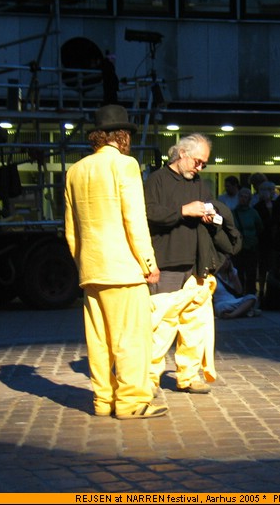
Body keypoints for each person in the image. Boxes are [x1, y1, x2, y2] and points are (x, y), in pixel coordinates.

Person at [64, 104, 167, 420]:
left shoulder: (75, 171)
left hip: (92, 269)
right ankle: (131, 402)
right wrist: (148, 262)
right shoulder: (125, 166)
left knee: (99, 342)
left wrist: (84, 262)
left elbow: (71, 229)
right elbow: (134, 220)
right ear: (121, 135)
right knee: (131, 340)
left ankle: (103, 400)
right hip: (124, 269)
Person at [144, 132, 217, 395]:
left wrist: (211, 215)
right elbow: (150, 213)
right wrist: (184, 211)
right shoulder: (157, 179)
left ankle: (188, 375)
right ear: (182, 154)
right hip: (166, 261)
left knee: (194, 324)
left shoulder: (198, 182)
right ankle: (150, 378)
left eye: (204, 164)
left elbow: (210, 206)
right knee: (161, 325)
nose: (200, 167)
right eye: (198, 161)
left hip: (194, 262)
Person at [232, 186, 263, 295]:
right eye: (241, 196)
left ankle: (250, 295)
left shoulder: (253, 213)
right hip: (238, 248)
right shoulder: (233, 213)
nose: (243, 199)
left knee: (251, 273)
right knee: (238, 273)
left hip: (251, 247)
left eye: (246, 197)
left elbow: (260, 228)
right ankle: (239, 294)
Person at [254, 181, 277, 301]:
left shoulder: (276, 205)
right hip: (263, 240)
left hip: (275, 240)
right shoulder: (258, 207)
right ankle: (262, 290)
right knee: (263, 267)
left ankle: (271, 289)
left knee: (273, 266)